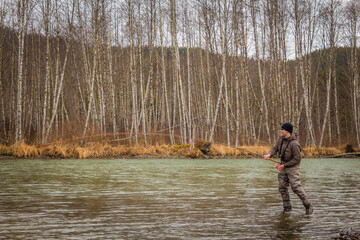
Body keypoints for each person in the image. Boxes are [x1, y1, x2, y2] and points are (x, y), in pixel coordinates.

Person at [263, 123, 313, 214]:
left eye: (282, 129)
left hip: (293, 168)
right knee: (282, 187)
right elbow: (275, 149)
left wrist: (285, 165)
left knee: (296, 187)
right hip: (283, 166)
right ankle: (287, 208)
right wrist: (269, 154)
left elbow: (297, 159)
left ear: (287, 131)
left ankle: (308, 206)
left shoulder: (294, 144)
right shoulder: (280, 139)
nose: (280, 130)